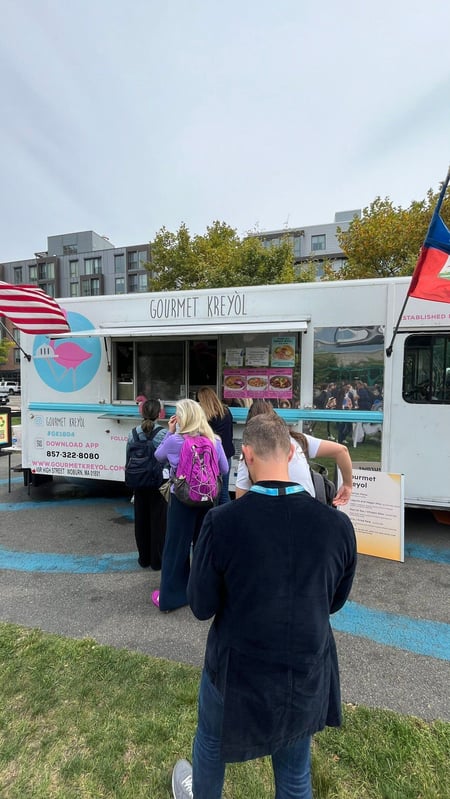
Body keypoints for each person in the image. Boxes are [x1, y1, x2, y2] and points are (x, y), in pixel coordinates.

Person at [171, 413, 357, 799]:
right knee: (293, 773)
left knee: (209, 743)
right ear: (292, 453)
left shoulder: (222, 523)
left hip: (235, 671)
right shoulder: (336, 526)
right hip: (305, 670)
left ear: (246, 456)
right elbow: (333, 601)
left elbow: (201, 605)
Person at [152, 398, 228, 612]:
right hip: (207, 500)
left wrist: (169, 431)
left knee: (176, 547)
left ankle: (171, 597)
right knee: (203, 547)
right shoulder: (215, 440)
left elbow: (158, 457)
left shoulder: (175, 440)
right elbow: (222, 469)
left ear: (182, 418)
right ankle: (205, 593)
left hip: (182, 499)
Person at [235, 399, 353, 506]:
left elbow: (240, 503)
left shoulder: (249, 453)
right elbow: (342, 451)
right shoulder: (298, 440)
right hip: (309, 509)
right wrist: (347, 485)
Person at [126, 399, 167, 570]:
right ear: (159, 414)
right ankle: (157, 561)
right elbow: (167, 459)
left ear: (142, 413)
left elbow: (128, 458)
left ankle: (143, 559)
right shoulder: (163, 433)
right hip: (158, 483)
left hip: (138, 482)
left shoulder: (133, 433)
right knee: (158, 522)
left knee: (141, 521)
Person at [196, 386, 235, 504]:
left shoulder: (205, 418)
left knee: (213, 492)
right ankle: (227, 519)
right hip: (227, 455)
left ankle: (217, 519)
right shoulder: (226, 412)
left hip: (212, 457)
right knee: (224, 491)